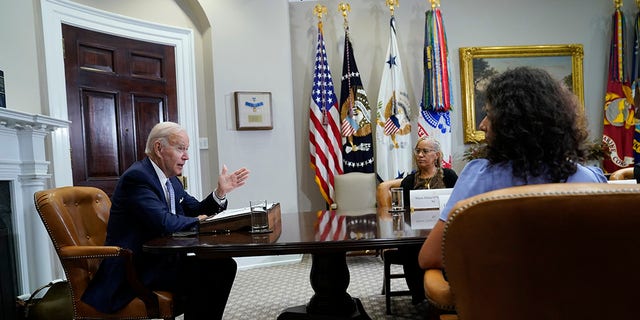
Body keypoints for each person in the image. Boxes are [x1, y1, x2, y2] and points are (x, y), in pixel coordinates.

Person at [418, 67, 607, 271]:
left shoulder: (478, 177)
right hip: (577, 300)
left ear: (512, 123)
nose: (482, 125)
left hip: (498, 300)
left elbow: (430, 256)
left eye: (489, 115)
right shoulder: (588, 179)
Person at [82, 121, 250, 319]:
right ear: (159, 148)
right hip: (136, 267)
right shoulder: (137, 177)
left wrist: (220, 193)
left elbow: (194, 208)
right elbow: (164, 222)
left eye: (186, 150)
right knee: (214, 271)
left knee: (222, 265)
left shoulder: (170, 179)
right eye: (181, 149)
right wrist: (201, 222)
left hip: (162, 261)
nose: (186, 156)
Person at [398, 136, 458, 304]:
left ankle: (447, 292)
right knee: (407, 248)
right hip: (415, 234)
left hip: (443, 231)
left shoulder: (449, 176)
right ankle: (419, 294)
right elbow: (404, 214)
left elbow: (458, 204)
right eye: (418, 151)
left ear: (437, 155)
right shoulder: (408, 181)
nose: (420, 155)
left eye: (425, 151)